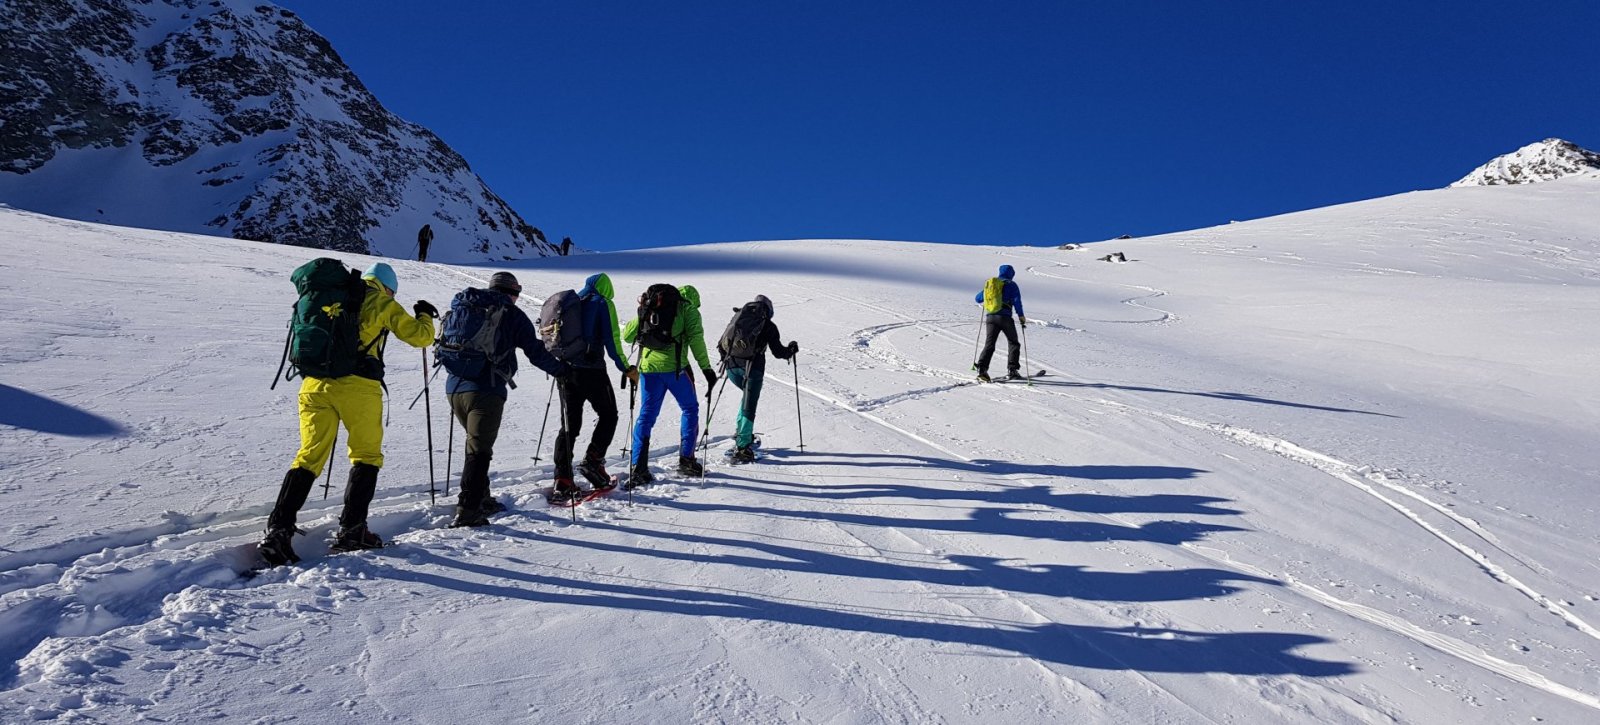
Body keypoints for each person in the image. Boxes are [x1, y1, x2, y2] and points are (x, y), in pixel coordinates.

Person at [259, 262, 436, 566]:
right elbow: (420, 337)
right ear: (387, 287)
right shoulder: (380, 300)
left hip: (313, 384)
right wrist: (424, 316)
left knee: (308, 456)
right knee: (366, 456)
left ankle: (278, 530)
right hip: (358, 387)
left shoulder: (325, 294)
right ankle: (352, 529)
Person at [440, 272, 572, 527]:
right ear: (513, 293)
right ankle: (469, 510)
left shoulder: (466, 306)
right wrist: (561, 371)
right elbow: (534, 351)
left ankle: (483, 497)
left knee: (474, 444)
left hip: (453, 388)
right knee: (479, 451)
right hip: (485, 389)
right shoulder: (511, 313)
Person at [548, 273, 638, 502]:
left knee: (570, 425)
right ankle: (593, 462)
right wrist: (626, 368)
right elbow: (612, 340)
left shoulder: (572, 303)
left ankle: (562, 479)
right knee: (609, 415)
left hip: (566, 371)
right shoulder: (602, 303)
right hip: (592, 370)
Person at [621, 284, 714, 485]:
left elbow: (627, 335)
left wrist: (644, 313)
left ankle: (639, 467)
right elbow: (697, 341)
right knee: (690, 409)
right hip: (675, 370)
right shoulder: (688, 310)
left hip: (648, 369)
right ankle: (686, 460)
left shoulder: (651, 306)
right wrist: (707, 369)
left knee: (646, 416)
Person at [716, 295, 798, 463]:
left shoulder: (737, 319)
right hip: (753, 369)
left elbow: (721, 345)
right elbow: (778, 352)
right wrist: (791, 350)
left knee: (746, 399)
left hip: (731, 367)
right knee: (749, 405)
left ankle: (741, 433)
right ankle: (743, 446)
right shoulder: (768, 325)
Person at [974, 264, 1026, 382]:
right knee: (1013, 343)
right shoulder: (1011, 284)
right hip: (1005, 317)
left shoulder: (992, 284)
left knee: (989, 344)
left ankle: (982, 370)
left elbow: (978, 298)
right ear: (1011, 274)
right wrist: (1021, 316)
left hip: (990, 317)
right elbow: (1017, 301)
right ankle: (1012, 370)